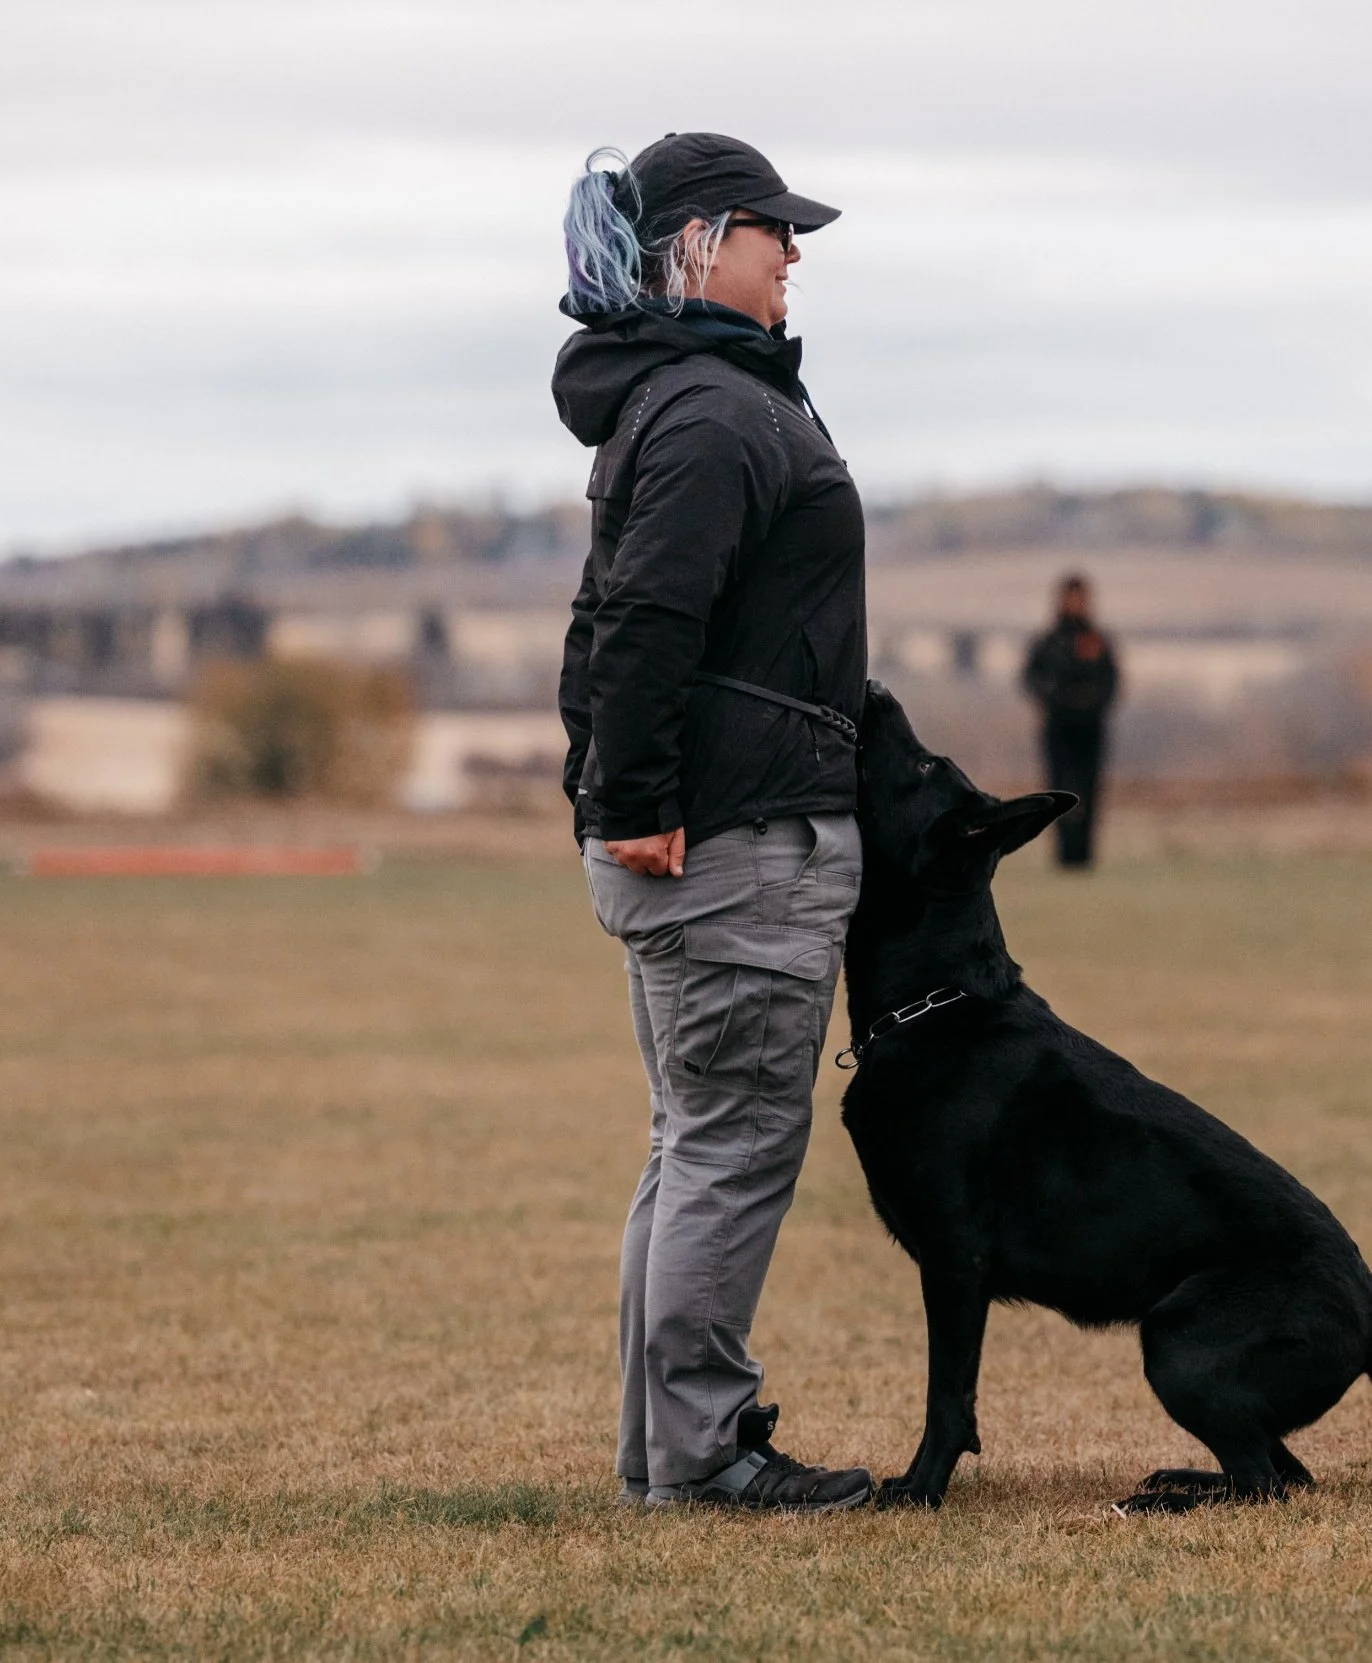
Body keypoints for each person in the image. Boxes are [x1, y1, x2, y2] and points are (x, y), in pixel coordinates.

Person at [553, 134, 873, 1512]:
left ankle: (664, 1447)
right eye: (769, 230)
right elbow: (643, 624)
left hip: (724, 829)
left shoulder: (709, 401)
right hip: (732, 845)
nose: (791, 253)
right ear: (697, 241)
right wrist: (634, 804)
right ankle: (704, 1451)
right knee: (732, 1142)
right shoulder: (712, 413)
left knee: (695, 1139)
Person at [1022, 574, 1120, 868]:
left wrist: (1091, 703)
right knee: (1059, 793)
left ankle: (1084, 857)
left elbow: (1111, 681)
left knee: (1090, 791)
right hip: (1058, 727)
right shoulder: (1049, 642)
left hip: (1091, 728)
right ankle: (1064, 857)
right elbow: (1031, 679)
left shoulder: (1097, 641)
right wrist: (1057, 700)